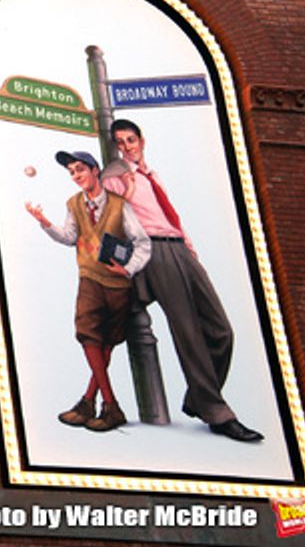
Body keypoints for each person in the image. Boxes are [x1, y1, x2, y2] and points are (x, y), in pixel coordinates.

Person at [106, 118, 263, 442]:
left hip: (179, 248)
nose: (126, 147)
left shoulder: (153, 175)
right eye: (120, 142)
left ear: (141, 140)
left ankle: (197, 399)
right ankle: (218, 414)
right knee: (188, 332)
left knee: (222, 330)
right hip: (154, 253)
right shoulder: (115, 176)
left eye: (130, 140)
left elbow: (168, 214)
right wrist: (128, 186)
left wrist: (189, 248)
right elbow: (112, 214)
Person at [25, 150, 150, 432]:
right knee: (87, 333)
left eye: (80, 169)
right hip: (89, 277)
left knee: (106, 342)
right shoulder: (74, 204)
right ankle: (110, 404)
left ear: (95, 170)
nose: (76, 175)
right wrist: (45, 223)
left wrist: (128, 268)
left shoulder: (120, 206)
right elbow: (70, 238)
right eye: (71, 172)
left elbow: (142, 243)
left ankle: (88, 401)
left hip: (117, 284)